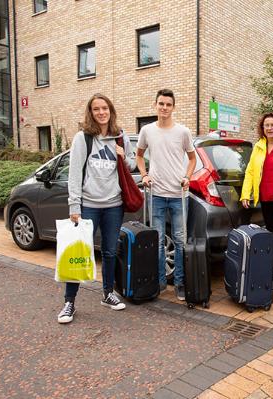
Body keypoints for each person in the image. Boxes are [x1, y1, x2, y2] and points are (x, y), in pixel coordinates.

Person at [57, 93, 136, 324]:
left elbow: (131, 165)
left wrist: (123, 156)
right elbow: (74, 174)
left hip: (114, 205)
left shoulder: (120, 137)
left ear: (110, 110)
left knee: (110, 252)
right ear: (90, 113)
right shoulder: (83, 138)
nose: (101, 112)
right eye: (96, 109)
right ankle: (69, 302)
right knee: (78, 252)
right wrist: (75, 205)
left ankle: (108, 293)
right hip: (88, 205)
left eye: (105, 108)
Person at [136, 89, 197, 301]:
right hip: (156, 194)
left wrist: (187, 177)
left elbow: (192, 159)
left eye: (168, 105)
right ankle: (160, 282)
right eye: (161, 104)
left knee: (180, 240)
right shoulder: (147, 131)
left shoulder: (183, 132)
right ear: (155, 105)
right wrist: (144, 175)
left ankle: (179, 283)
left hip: (179, 194)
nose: (164, 108)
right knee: (158, 239)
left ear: (173, 107)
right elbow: (139, 155)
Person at [240, 112, 273, 290]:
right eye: (266, 125)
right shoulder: (259, 147)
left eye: (272, 125)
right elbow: (250, 172)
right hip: (266, 199)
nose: (269, 128)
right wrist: (246, 193)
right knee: (272, 236)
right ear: (262, 128)